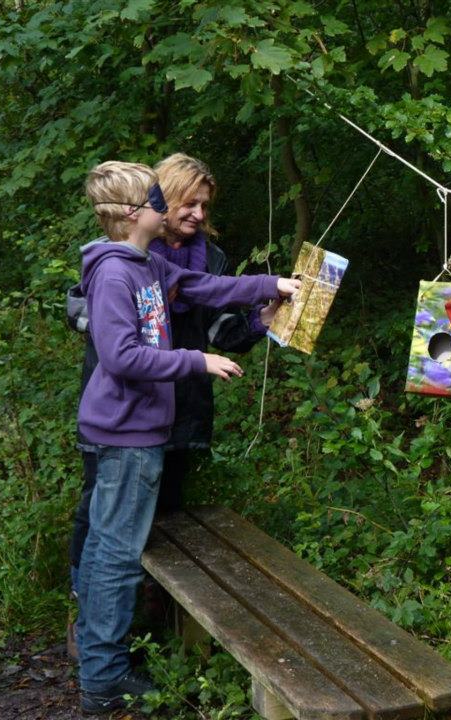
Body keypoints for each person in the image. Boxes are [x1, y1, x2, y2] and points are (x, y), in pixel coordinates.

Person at [75, 160, 298, 714]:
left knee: (118, 550)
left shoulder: (148, 264)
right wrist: (197, 360)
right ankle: (103, 675)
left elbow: (207, 285)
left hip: (144, 431)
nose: (172, 211)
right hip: (125, 433)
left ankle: (107, 664)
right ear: (136, 213)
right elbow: (121, 355)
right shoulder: (114, 272)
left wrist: (273, 284)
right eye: (159, 199)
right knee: (115, 554)